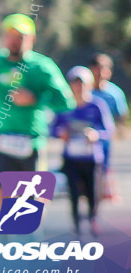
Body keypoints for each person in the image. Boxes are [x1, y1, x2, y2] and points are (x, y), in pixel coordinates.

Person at [0, 14, 74, 209]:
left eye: (20, 37)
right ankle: (5, 237)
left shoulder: (42, 66)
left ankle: (32, 236)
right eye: (11, 36)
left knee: (33, 195)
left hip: (32, 138)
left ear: (32, 39)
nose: (14, 42)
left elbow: (65, 101)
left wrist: (36, 99)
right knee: (1, 192)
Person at [50, 66, 114, 237]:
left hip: (92, 157)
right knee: (73, 192)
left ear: (89, 85)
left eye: (82, 83)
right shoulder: (64, 106)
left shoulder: (97, 106)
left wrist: (95, 135)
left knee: (93, 192)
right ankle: (76, 224)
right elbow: (52, 129)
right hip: (71, 157)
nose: (78, 87)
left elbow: (108, 129)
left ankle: (93, 219)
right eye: (75, 83)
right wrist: (60, 133)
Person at [88, 53, 127, 202]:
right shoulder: (83, 90)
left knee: (103, 165)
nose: (100, 74)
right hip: (83, 138)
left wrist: (118, 131)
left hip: (104, 139)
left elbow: (120, 116)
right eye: (97, 69)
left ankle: (103, 191)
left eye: (105, 69)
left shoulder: (114, 93)